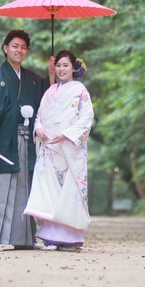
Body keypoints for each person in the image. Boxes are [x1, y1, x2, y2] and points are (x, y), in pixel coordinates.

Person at [0, 29, 51, 251]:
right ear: (5, 48)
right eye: (15, 46)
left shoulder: (33, 79)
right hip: (3, 141)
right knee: (0, 187)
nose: (19, 50)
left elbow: (47, 96)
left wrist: (52, 73)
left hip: (26, 142)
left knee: (25, 188)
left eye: (24, 47)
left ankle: (24, 239)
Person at [24, 49, 94, 251]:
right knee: (50, 191)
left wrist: (67, 135)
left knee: (68, 189)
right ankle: (51, 238)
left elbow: (86, 118)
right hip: (50, 149)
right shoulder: (49, 91)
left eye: (66, 65)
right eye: (59, 65)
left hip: (69, 148)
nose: (62, 69)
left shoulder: (80, 91)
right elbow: (39, 116)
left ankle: (70, 238)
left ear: (74, 67)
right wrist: (38, 128)